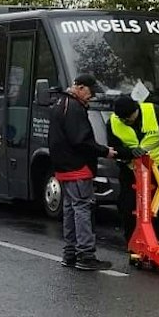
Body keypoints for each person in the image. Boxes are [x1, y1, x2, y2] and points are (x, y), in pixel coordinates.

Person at [48, 74, 111, 270]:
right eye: (90, 93)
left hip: (62, 167)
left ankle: (70, 253)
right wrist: (104, 151)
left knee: (70, 209)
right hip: (77, 166)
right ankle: (86, 255)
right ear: (81, 88)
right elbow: (81, 140)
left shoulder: (60, 103)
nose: (90, 98)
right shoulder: (74, 108)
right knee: (82, 208)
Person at [106, 94, 159, 232]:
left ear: (135, 110)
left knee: (157, 206)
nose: (126, 121)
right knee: (128, 206)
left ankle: (158, 238)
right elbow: (113, 148)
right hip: (131, 170)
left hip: (158, 168)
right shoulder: (112, 122)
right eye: (122, 119)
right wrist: (129, 152)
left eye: (128, 118)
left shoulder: (155, 111)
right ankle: (132, 240)